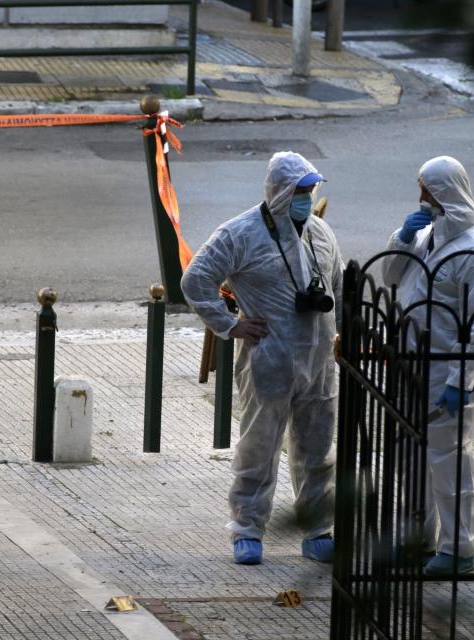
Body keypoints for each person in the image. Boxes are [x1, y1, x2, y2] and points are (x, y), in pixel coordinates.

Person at [180, 151, 343, 565]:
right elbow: (195, 279)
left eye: (312, 190)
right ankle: (247, 528)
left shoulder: (320, 234)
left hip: (319, 363)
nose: (308, 198)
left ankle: (317, 528)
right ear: (281, 192)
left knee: (318, 449)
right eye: (301, 191)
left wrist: (346, 333)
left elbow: (339, 288)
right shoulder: (240, 234)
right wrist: (230, 324)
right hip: (268, 361)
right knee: (259, 447)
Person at [382, 156, 474, 576]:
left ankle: (459, 548)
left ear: (446, 192)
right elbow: (392, 277)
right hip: (413, 360)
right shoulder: (430, 234)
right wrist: (402, 237)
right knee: (410, 458)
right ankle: (417, 538)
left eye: (428, 191)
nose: (421, 198)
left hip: (446, 367)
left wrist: (461, 381)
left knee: (449, 460)